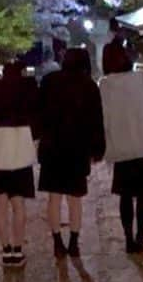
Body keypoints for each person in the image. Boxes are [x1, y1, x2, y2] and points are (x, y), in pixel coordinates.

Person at [36, 46, 106, 259]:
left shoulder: (49, 82)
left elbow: (39, 114)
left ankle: (57, 241)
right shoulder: (89, 86)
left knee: (54, 198)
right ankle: (74, 242)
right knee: (75, 198)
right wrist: (97, 149)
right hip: (77, 148)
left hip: (52, 147)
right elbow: (96, 121)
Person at [0, 59, 40, 269]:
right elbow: (36, 119)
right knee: (18, 204)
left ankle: (5, 250)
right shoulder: (26, 90)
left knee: (0, 203)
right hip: (19, 150)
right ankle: (18, 249)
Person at [99, 53, 143, 254]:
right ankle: (140, 237)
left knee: (125, 196)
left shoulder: (105, 85)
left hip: (122, 146)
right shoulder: (142, 79)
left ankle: (128, 238)